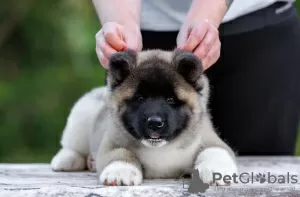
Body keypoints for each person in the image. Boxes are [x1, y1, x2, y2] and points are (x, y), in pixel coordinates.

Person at [91, 0, 300, 156]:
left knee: (259, 175)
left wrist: (206, 15)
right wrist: (119, 26)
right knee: (128, 166)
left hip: (257, 30)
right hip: (145, 35)